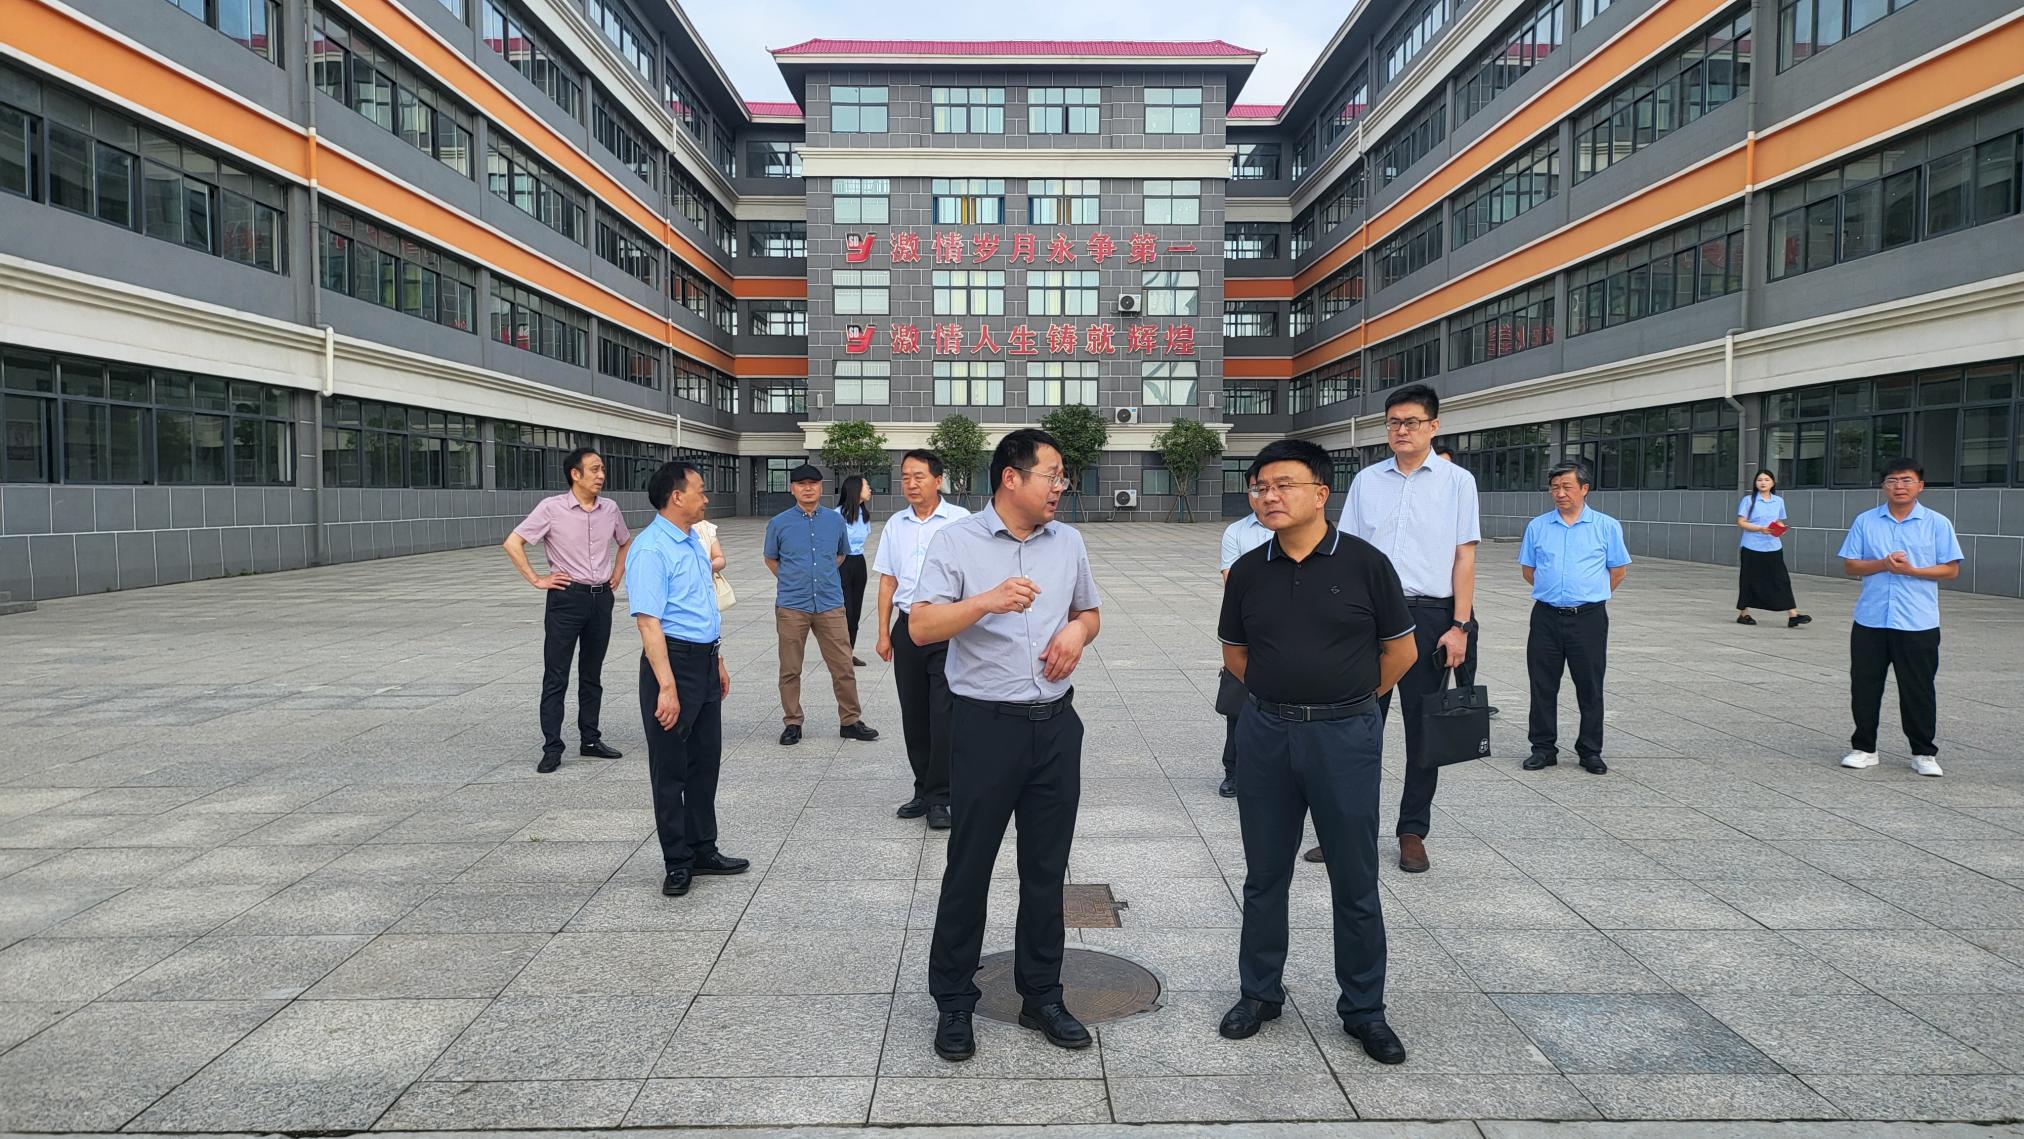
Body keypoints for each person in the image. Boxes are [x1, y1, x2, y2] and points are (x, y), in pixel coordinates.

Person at [1216, 439, 1417, 1066]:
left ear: (1321, 493)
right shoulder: (1248, 570)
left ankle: (1364, 1009)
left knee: (1354, 877)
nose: (1269, 496)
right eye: (1260, 487)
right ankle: (1259, 993)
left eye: (1284, 485)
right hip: (1266, 733)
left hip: (1344, 737)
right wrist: (1282, 699)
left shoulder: (1366, 564)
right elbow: (1235, 655)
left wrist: (1348, 702)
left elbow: (1401, 652)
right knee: (1264, 874)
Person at [911, 428, 1101, 1064]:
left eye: (1062, 476)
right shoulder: (957, 540)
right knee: (970, 866)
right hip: (985, 726)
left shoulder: (1067, 541)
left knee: (1046, 870)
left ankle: (1042, 995)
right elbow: (921, 625)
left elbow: (1089, 613)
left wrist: (1077, 633)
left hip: (1056, 726)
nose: (1060, 486)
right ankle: (954, 1002)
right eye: (1052, 474)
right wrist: (987, 601)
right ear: (1011, 478)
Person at [1331, 383, 1480, 873]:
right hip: (1368, 620)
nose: (1401, 430)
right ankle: (1349, 828)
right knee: (1356, 727)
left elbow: (1464, 557)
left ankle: (1412, 831)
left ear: (1433, 427)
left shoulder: (1458, 482)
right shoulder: (1367, 481)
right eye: (1393, 422)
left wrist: (1460, 625)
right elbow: (1348, 552)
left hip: (1430, 617)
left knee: (1423, 729)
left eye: (1411, 422)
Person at [626, 461, 748, 897]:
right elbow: (649, 622)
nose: (706, 497)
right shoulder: (650, 549)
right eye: (700, 489)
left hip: (704, 661)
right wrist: (667, 686)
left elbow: (702, 607)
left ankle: (703, 849)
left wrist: (718, 659)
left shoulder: (694, 539)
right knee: (671, 770)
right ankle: (677, 862)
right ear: (677, 496)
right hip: (672, 665)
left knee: (704, 763)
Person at [502, 446, 631, 772]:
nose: (601, 475)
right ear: (575, 474)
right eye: (595, 469)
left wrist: (617, 573)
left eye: (602, 469)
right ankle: (552, 747)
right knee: (556, 675)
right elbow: (513, 542)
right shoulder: (551, 508)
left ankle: (590, 739)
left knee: (592, 673)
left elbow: (625, 541)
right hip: (566, 599)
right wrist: (537, 579)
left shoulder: (610, 509)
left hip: (600, 599)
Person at [1837, 458, 1964, 778]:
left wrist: (1911, 570)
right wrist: (1883, 564)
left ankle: (1923, 752)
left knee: (1918, 688)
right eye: (1892, 480)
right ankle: (1864, 748)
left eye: (1906, 480)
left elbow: (1951, 569)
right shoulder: (1866, 521)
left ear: (1920, 486)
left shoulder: (1937, 523)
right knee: (1864, 686)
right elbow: (1851, 565)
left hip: (1917, 621)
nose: (1899, 486)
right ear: (1883, 486)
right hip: (1871, 619)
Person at [874, 450, 971, 830]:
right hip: (907, 627)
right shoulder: (895, 525)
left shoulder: (961, 521)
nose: (911, 484)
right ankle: (923, 790)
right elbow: (888, 581)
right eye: (905, 477)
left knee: (943, 713)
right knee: (914, 713)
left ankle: (941, 796)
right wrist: (883, 633)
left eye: (919, 476)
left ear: (938, 480)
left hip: (946, 628)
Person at [1519, 460, 1630, 775]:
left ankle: (1590, 750)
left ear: (1584, 489)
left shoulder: (1606, 526)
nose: (1560, 493)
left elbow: (1618, 571)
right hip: (1546, 616)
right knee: (1542, 684)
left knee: (1590, 685)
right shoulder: (1538, 526)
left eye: (1567, 487)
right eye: (1555, 487)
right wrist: (1556, 592)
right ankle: (1543, 748)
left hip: (1588, 618)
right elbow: (1529, 570)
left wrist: (1589, 594)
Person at [764, 463, 879, 746]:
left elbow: (841, 554)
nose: (807, 489)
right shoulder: (779, 523)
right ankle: (793, 722)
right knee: (790, 668)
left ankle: (850, 720)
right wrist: (793, 579)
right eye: (801, 484)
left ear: (821, 488)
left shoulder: (835, 521)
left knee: (843, 666)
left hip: (829, 603)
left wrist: (821, 576)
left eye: (813, 484)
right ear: (792, 489)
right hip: (793, 605)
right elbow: (771, 559)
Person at [1216, 508, 1273, 799]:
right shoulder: (1236, 531)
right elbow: (1233, 584)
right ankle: (1234, 770)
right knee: (1239, 701)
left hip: (1299, 628)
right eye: (1257, 488)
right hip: (1248, 626)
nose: (1265, 495)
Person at [1736, 468, 1810, 628]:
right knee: (1748, 580)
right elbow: (1741, 522)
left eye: (1766, 480)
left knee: (1782, 579)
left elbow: (1778, 520)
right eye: (1759, 480)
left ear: (1773, 483)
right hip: (1752, 546)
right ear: (1755, 483)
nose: (1763, 483)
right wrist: (1760, 529)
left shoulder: (1778, 501)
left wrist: (1781, 528)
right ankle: (1744, 613)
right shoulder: (1749, 500)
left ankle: (1793, 615)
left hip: (1773, 546)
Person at [836, 475, 874, 666]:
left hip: (859, 563)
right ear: (855, 489)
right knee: (845, 611)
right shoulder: (836, 515)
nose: (870, 489)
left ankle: (849, 653)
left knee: (856, 611)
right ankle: (840, 654)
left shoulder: (864, 515)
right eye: (866, 486)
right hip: (842, 563)